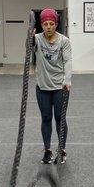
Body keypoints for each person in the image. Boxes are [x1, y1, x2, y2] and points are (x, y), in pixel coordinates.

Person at [34, 8, 72, 164]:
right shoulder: (36, 39)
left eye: (51, 24)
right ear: (42, 25)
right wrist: (29, 35)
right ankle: (48, 150)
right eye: (45, 24)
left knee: (59, 118)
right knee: (46, 118)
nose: (48, 27)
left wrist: (67, 80)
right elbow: (27, 48)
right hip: (42, 86)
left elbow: (67, 61)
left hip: (60, 87)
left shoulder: (64, 41)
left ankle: (61, 150)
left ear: (56, 24)